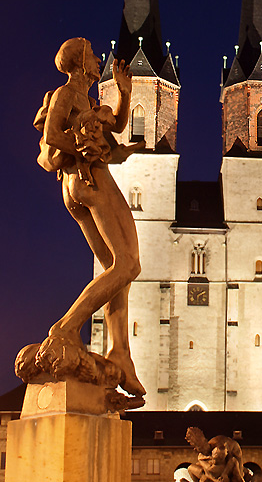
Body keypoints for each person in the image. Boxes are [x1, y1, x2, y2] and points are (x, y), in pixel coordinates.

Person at [32, 37, 145, 398]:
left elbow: (117, 122)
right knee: (128, 264)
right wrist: (84, 149)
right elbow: (52, 135)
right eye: (94, 56)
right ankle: (67, 328)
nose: (99, 61)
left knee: (115, 268)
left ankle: (120, 352)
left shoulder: (89, 101)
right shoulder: (67, 93)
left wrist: (124, 93)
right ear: (81, 62)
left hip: (79, 186)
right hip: (89, 180)